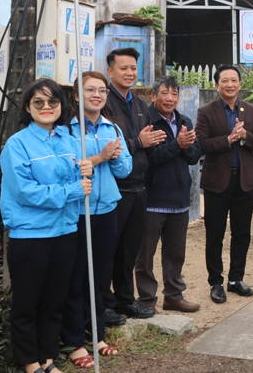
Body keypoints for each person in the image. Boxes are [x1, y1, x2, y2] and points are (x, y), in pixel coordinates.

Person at [0, 79, 93, 373]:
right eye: (38, 102)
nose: (46, 107)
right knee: (28, 303)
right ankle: (29, 362)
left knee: (55, 301)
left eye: (52, 101)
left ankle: (48, 358)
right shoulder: (17, 145)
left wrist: (84, 169)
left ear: (61, 106)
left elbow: (74, 175)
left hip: (65, 232)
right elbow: (26, 192)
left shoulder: (67, 140)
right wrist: (74, 190)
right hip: (31, 235)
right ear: (28, 108)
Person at [62, 71, 132, 368]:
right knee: (76, 278)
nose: (97, 95)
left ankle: (98, 336)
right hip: (77, 213)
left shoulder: (112, 128)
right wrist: (101, 157)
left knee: (100, 277)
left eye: (102, 91)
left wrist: (113, 157)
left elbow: (125, 169)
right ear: (77, 96)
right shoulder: (65, 131)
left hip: (106, 211)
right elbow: (68, 170)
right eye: (90, 90)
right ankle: (75, 342)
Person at [103, 47, 166, 323]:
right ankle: (105, 304)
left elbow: (150, 145)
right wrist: (138, 142)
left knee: (130, 249)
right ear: (110, 71)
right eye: (123, 68)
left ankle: (126, 301)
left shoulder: (141, 105)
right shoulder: (103, 103)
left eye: (133, 68)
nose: (129, 73)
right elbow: (105, 146)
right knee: (109, 248)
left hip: (140, 187)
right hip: (114, 189)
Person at [196, 65, 253, 303]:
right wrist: (228, 139)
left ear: (239, 84)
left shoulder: (251, 111)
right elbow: (202, 144)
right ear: (217, 85)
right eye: (224, 81)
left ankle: (236, 279)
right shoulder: (206, 111)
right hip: (217, 183)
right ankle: (215, 282)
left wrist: (245, 136)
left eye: (234, 80)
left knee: (242, 234)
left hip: (244, 182)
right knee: (215, 234)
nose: (230, 84)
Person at [135, 76, 202, 313]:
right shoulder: (146, 122)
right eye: (165, 93)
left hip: (179, 200)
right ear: (153, 96)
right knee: (145, 255)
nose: (170, 98)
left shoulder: (184, 121)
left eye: (174, 94)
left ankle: (173, 295)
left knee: (175, 253)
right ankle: (146, 300)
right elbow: (150, 158)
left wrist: (186, 145)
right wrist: (178, 145)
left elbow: (194, 156)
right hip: (152, 200)